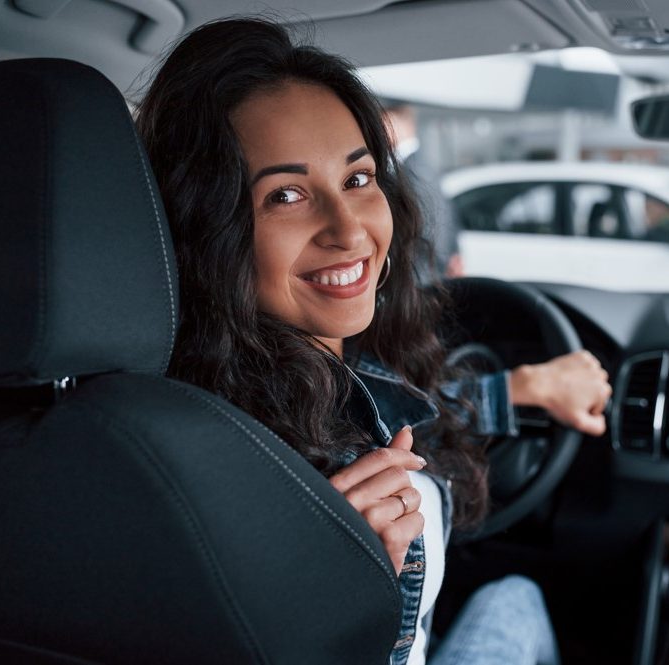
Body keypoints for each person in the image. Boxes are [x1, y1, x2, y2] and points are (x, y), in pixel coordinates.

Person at [135, 17, 611, 665]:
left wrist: (523, 388)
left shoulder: (301, 378)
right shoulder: (224, 475)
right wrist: (334, 594)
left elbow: (410, 412)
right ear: (205, 226)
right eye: (288, 194)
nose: (349, 231)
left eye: (358, 179)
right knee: (519, 597)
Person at [382, 101, 464, 281]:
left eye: (386, 123)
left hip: (419, 274)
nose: (380, 130)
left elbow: (427, 226)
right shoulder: (413, 163)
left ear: (404, 124)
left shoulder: (415, 168)